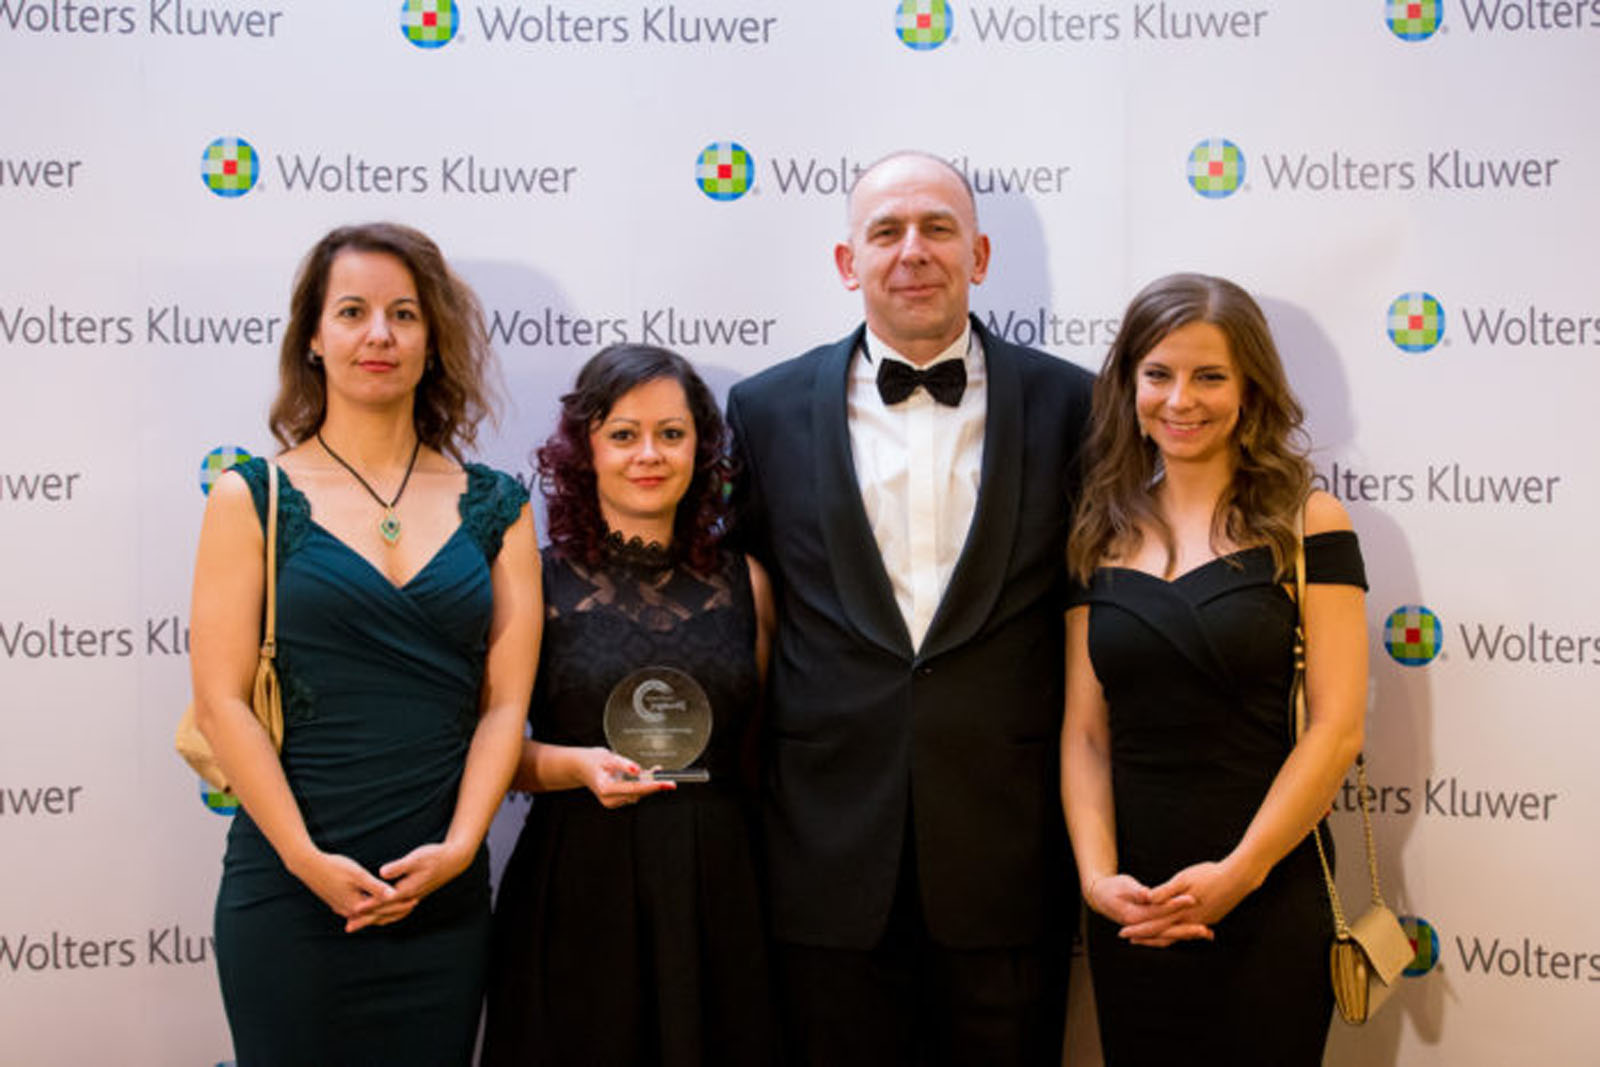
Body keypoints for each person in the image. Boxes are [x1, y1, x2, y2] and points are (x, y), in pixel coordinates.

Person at [725, 150, 1096, 1066]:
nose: (912, 251)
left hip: (1008, 854)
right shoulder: (763, 409)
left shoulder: (1077, 405)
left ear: (980, 253)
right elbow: (743, 613)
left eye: (937, 228)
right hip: (823, 854)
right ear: (847, 262)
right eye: (885, 231)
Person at [189, 222, 539, 1066]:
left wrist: (461, 848)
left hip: (443, 898)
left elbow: (503, 707)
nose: (378, 334)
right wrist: (306, 859)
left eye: (403, 314)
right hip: (289, 893)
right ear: (313, 337)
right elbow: (222, 701)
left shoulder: (499, 504)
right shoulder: (252, 495)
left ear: (433, 340)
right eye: (352, 311)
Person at [1060, 273, 1368, 1065]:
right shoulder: (1099, 530)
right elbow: (1086, 734)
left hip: (1269, 887)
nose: (1180, 399)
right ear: (1130, 384)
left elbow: (1337, 727)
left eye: (1209, 376)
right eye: (1158, 374)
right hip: (1135, 902)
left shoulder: (1309, 521)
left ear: (1250, 386)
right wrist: (1097, 880)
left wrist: (1241, 872)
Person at [482, 344, 778, 1067]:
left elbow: (768, 749)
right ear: (585, 451)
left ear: (701, 449)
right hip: (578, 878)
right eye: (623, 434)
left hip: (720, 885)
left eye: (671, 433)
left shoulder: (749, 582)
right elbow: (488, 752)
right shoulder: (532, 580)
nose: (649, 454)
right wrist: (573, 767)